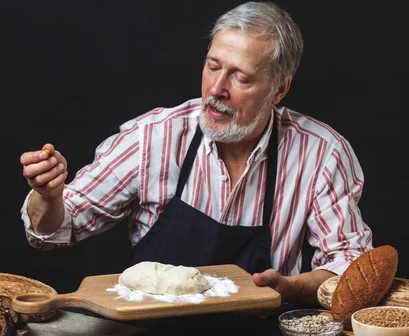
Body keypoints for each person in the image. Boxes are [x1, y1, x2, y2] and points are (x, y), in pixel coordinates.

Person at [19, 1, 372, 304]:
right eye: (213, 66)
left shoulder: (321, 153)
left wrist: (289, 288)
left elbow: (350, 267)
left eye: (241, 78)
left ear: (279, 89)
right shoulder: (155, 138)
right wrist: (48, 198)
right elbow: (54, 230)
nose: (217, 89)